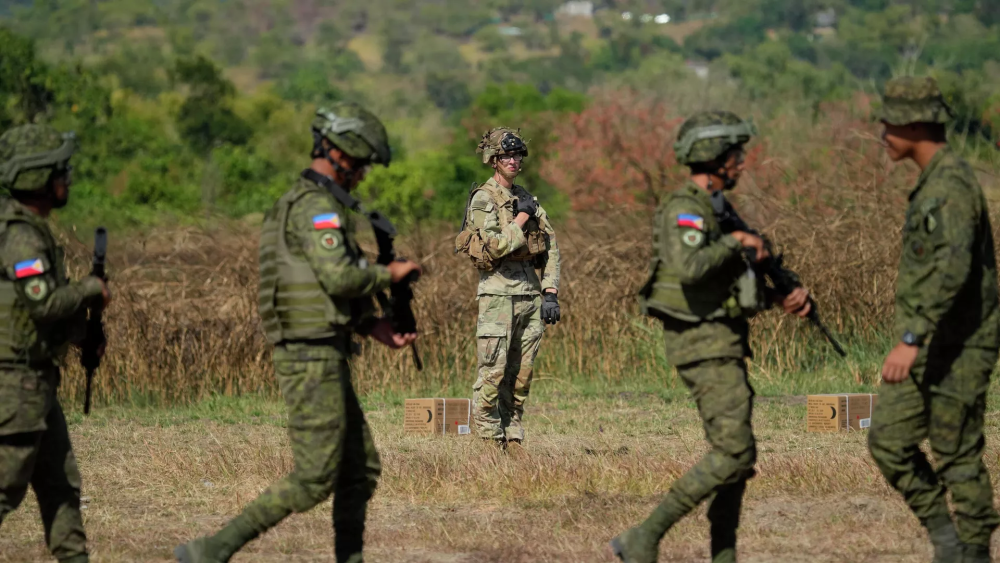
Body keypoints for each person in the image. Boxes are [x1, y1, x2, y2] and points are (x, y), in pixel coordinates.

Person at [175, 103, 421, 563]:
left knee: (359, 470)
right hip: (308, 354)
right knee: (313, 478)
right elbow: (340, 279)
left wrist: (373, 326)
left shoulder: (318, 206)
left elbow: (323, 284)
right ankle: (211, 551)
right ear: (340, 154)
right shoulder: (313, 208)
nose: (364, 174)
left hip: (324, 348)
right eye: (362, 163)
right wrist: (392, 273)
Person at [610, 111, 811, 563]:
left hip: (723, 338)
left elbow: (731, 278)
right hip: (701, 343)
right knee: (734, 452)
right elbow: (689, 267)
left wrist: (782, 296)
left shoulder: (718, 206)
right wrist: (737, 242)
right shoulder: (686, 206)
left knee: (738, 462)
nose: (742, 164)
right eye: (736, 156)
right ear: (715, 158)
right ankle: (644, 537)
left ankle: (724, 554)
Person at [867, 76, 1000, 563]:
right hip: (929, 340)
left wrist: (910, 337)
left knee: (957, 450)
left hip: (960, 344)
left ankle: (972, 550)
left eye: (890, 120)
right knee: (888, 440)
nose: (883, 130)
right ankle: (946, 538)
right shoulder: (934, 182)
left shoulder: (950, 185)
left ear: (917, 123)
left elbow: (952, 266)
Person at [0, 124, 111, 563]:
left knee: (61, 488)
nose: (67, 177)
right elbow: (43, 304)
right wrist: (91, 289)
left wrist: (84, 336)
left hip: (38, 383)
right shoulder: (20, 235)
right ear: (38, 177)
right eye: (59, 169)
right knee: (6, 487)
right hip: (15, 385)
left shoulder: (31, 229)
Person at [454, 127, 560, 446]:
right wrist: (521, 218)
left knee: (522, 375)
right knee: (493, 371)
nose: (513, 161)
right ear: (493, 160)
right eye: (506, 156)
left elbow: (551, 245)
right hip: (497, 295)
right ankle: (489, 439)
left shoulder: (525, 197)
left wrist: (550, 291)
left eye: (517, 156)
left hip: (529, 295)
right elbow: (496, 246)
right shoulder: (484, 199)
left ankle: (512, 435)